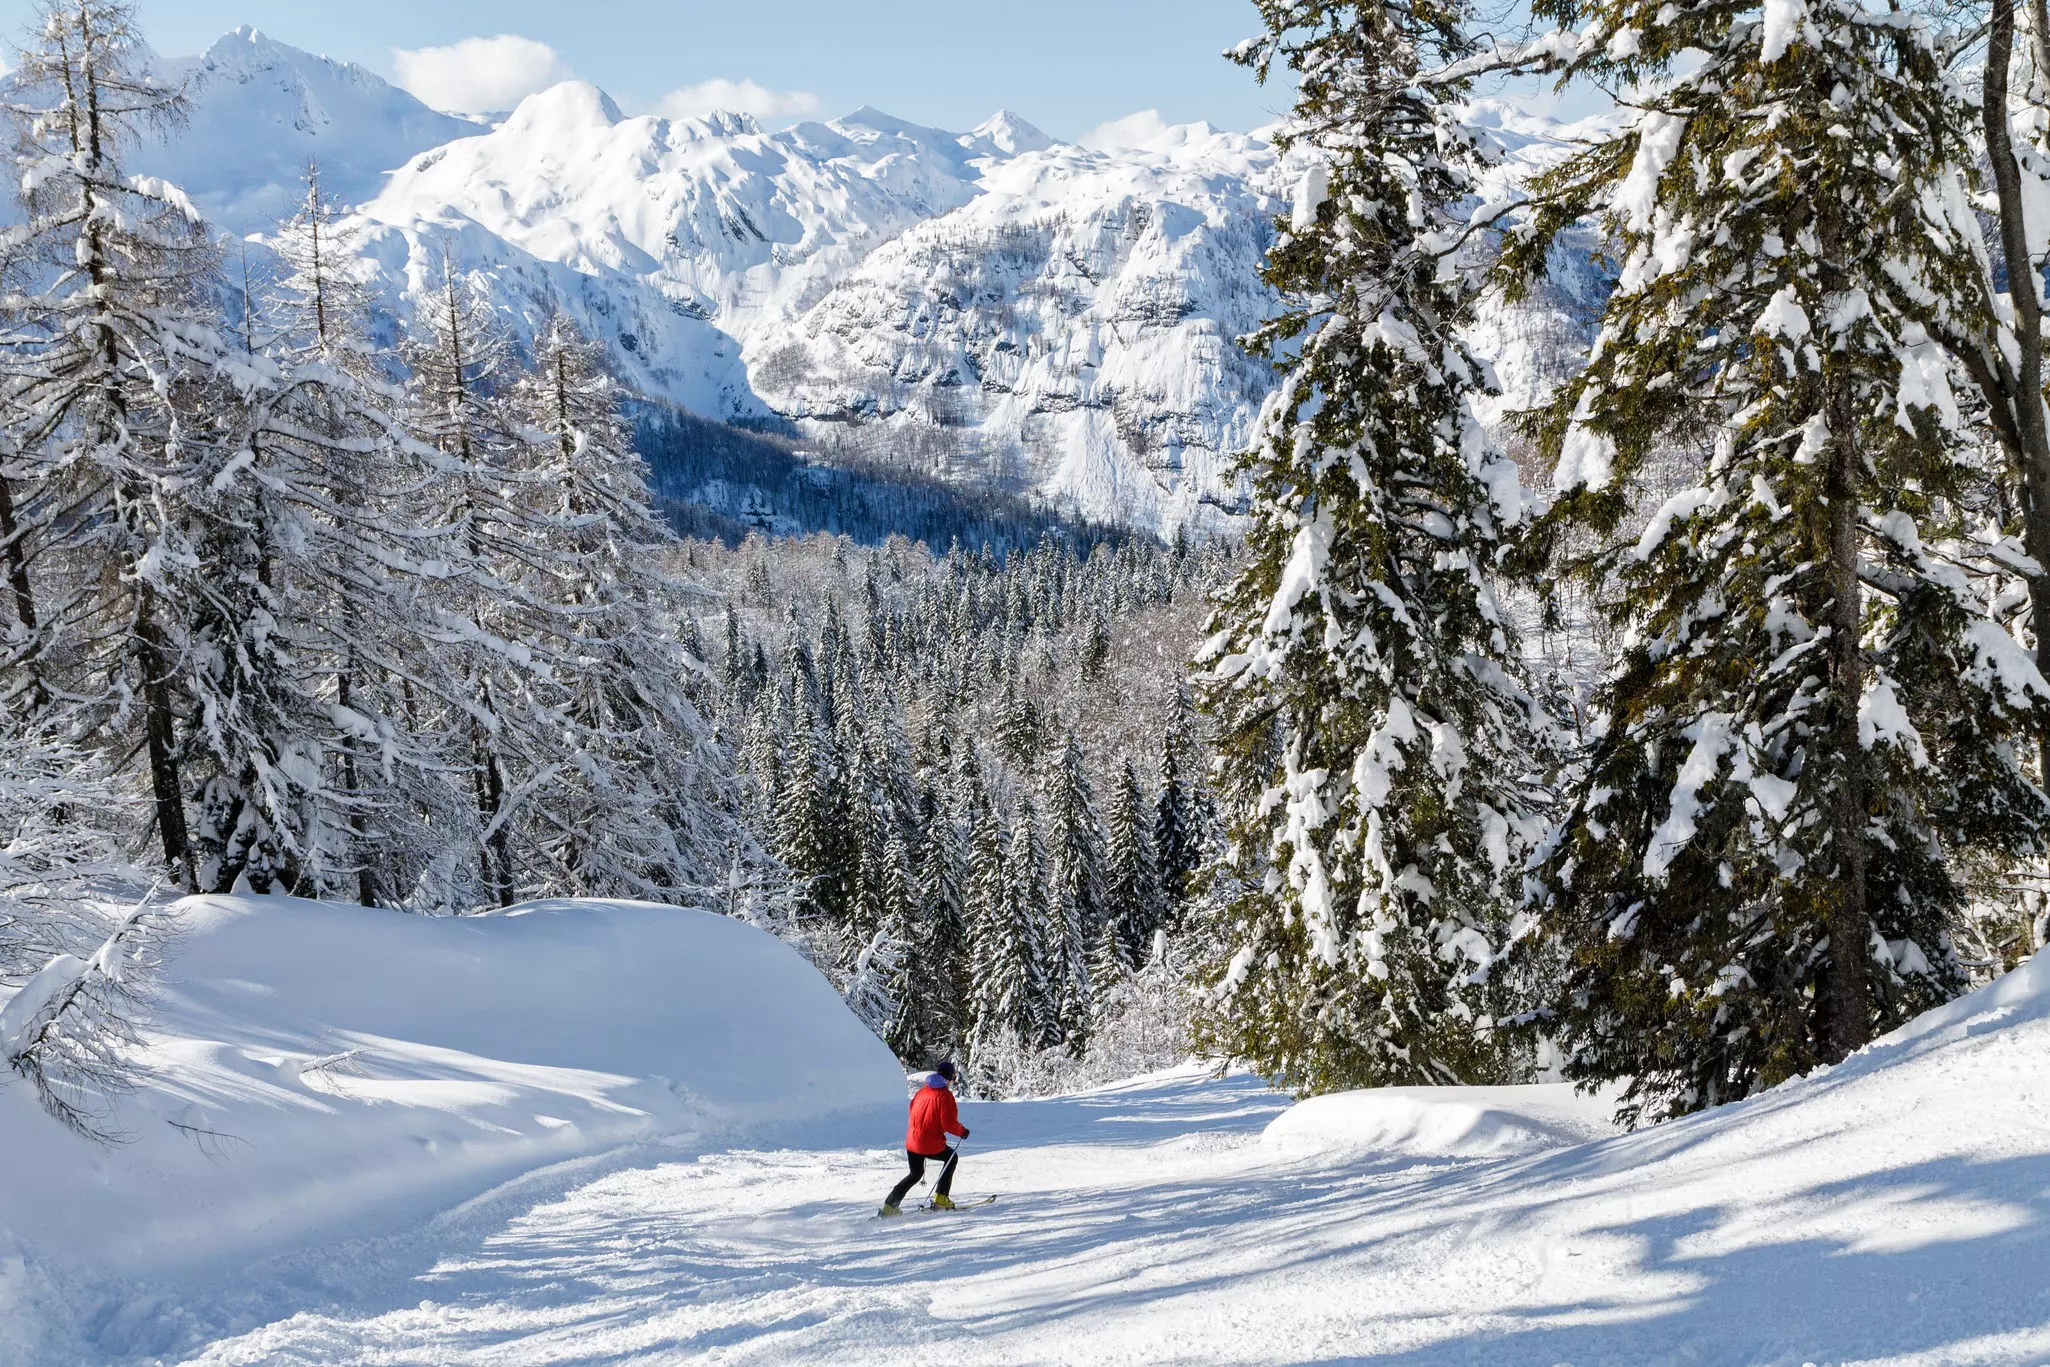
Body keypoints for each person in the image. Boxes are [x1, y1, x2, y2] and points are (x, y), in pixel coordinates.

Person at [879, 1059, 969, 1215]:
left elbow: (913, 1111)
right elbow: (948, 1123)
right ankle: (941, 1198)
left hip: (912, 1142)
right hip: (929, 1143)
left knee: (915, 1174)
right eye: (953, 1078)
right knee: (951, 1158)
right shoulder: (945, 1096)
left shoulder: (922, 1092)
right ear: (949, 1078)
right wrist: (962, 1131)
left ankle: (890, 1206)